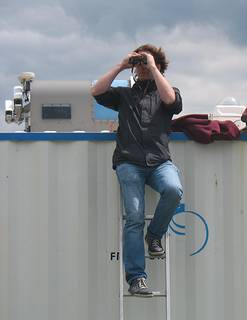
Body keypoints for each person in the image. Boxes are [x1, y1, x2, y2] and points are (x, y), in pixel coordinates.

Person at [91, 44, 183, 297]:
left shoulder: (168, 90)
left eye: (146, 62)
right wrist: (122, 64)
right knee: (134, 217)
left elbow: (171, 102)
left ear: (159, 66)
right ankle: (136, 279)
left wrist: (153, 67)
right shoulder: (124, 95)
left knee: (174, 190)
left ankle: (154, 236)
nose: (141, 67)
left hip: (159, 161)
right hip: (129, 161)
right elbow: (96, 91)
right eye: (139, 63)